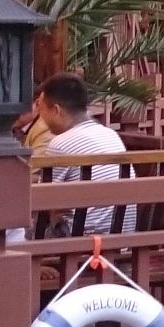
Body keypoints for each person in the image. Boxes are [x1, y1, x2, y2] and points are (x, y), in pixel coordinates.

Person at [32, 72, 129, 235]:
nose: (40, 117)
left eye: (41, 109)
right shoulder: (110, 135)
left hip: (80, 240)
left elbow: (43, 202)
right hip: (121, 238)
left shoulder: (60, 144)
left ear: (56, 110)